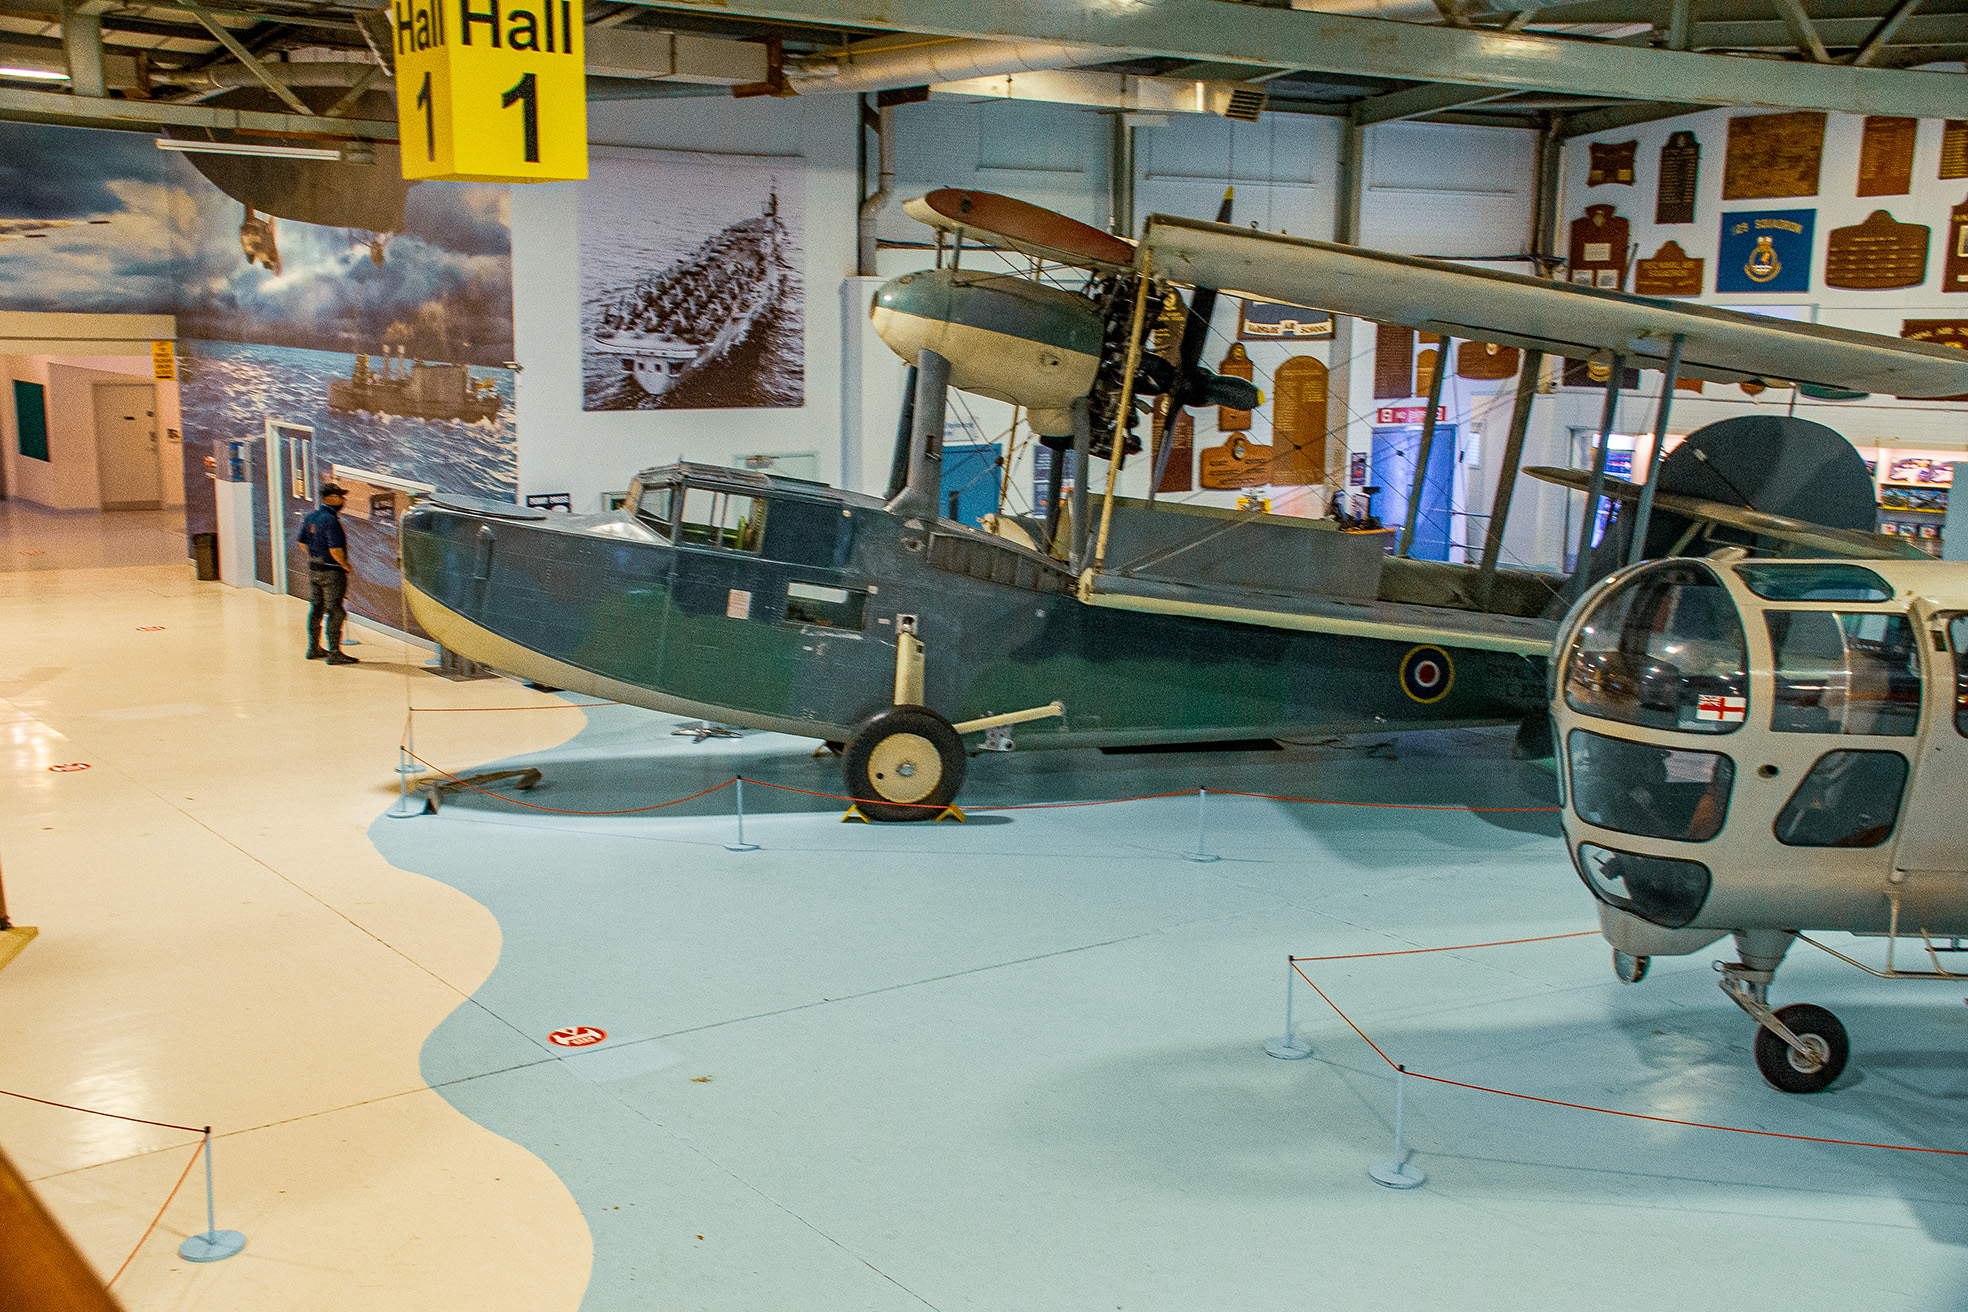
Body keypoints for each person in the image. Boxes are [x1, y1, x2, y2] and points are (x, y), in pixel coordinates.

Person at [297, 483, 359, 665]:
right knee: (335, 611)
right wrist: (345, 565)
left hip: (314, 569)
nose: (343, 500)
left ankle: (314, 648)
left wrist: (316, 554)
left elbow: (301, 542)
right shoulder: (331, 520)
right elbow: (335, 549)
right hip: (332, 572)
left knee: (316, 608)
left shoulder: (311, 517)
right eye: (341, 496)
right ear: (331, 498)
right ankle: (334, 652)